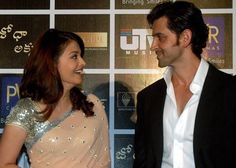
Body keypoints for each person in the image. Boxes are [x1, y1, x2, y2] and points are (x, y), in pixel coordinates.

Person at [133, 1, 236, 168]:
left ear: (185, 37)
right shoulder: (148, 98)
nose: (153, 46)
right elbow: (143, 162)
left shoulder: (230, 91)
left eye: (161, 37)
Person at [0, 29, 111, 168]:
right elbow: (3, 163)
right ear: (52, 62)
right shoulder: (27, 110)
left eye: (81, 56)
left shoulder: (92, 104)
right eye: (74, 56)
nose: (83, 62)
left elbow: (104, 161)